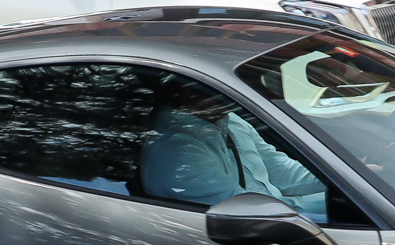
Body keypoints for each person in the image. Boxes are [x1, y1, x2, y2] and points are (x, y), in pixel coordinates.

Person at [138, 81, 328, 220]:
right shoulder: (176, 155)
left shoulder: (229, 120)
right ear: (186, 91)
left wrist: (338, 180)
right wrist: (334, 205)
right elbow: (257, 212)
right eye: (218, 87)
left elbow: (281, 171)